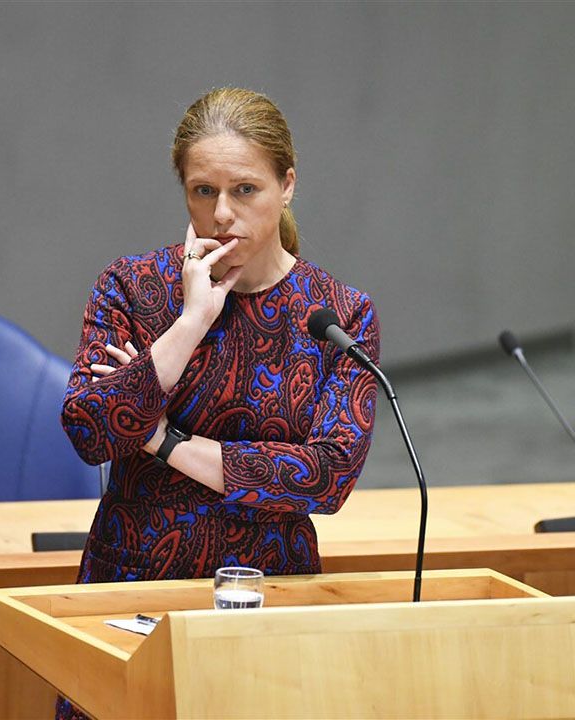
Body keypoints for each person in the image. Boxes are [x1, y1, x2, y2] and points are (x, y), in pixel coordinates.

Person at [56, 87, 379, 718]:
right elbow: (90, 431)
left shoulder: (338, 315)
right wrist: (191, 321)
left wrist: (158, 438)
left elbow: (326, 477)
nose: (222, 213)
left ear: (286, 186)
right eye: (204, 192)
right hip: (135, 586)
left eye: (245, 190)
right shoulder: (133, 287)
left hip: (270, 592)